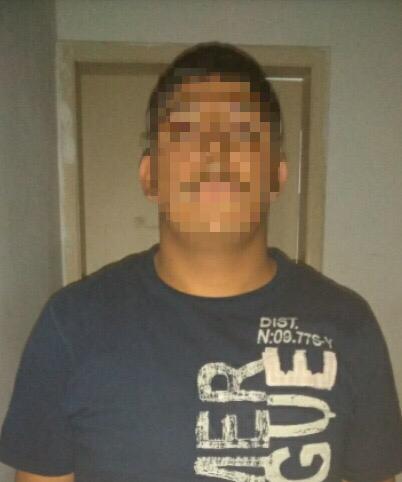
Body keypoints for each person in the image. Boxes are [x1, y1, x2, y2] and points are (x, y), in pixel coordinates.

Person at [0, 41, 401, 482]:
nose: (216, 150)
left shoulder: (347, 325)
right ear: (150, 176)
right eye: (186, 132)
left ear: (277, 176)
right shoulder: (71, 325)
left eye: (243, 132)